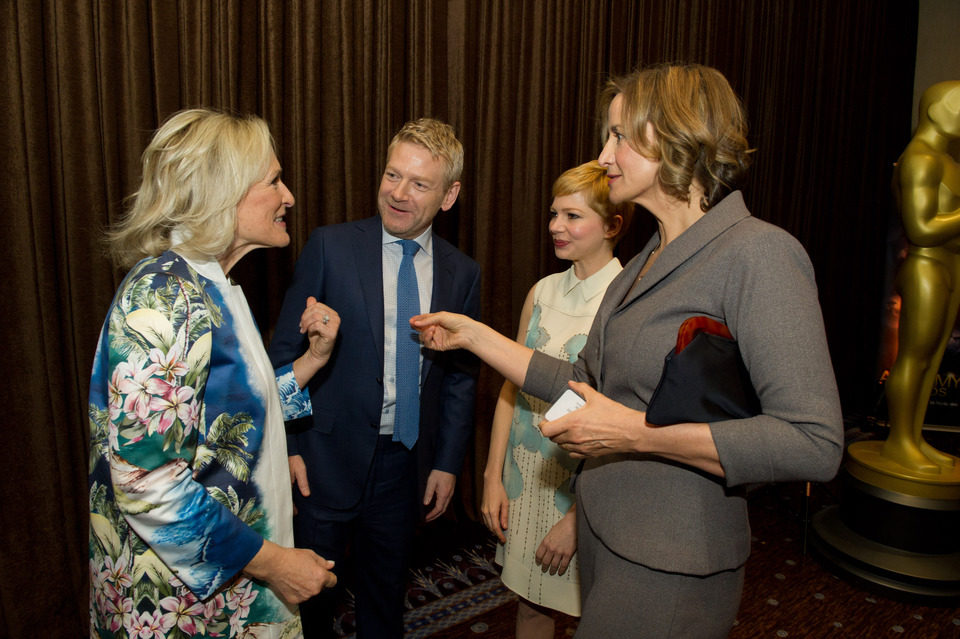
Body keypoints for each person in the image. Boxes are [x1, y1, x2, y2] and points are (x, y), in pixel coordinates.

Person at [412, 63, 844, 638]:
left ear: (674, 136)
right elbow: (581, 383)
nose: (603, 154)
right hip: (609, 538)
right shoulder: (641, 266)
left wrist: (636, 433)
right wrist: (474, 335)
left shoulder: (758, 254)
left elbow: (814, 442)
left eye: (618, 135)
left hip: (674, 559)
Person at [87, 108, 338, 638]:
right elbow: (146, 483)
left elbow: (232, 417)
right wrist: (274, 562)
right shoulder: (165, 296)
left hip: (226, 587)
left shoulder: (210, 285)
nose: (288, 195)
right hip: (182, 605)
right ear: (223, 192)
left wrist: (312, 361)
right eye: (272, 180)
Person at [267, 118, 481, 638]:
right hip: (322, 458)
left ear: (449, 196)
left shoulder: (462, 273)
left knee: (385, 595)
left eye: (419, 184)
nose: (398, 193)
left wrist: (447, 463)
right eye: (392, 175)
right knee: (308, 599)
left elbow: (459, 380)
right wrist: (290, 445)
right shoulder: (330, 247)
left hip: (403, 463)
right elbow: (284, 353)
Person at [482, 161, 632, 637]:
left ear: (612, 226)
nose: (555, 227)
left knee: (598, 616)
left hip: (585, 493)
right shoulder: (543, 291)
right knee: (531, 606)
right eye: (553, 214)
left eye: (572, 216)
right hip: (526, 480)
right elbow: (512, 385)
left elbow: (623, 423)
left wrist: (576, 519)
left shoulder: (627, 302)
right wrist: (491, 476)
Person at [880, 80, 960, 475]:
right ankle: (900, 440)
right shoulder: (920, 159)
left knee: (933, 358)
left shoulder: (947, 161)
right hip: (926, 264)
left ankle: (914, 436)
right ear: (935, 109)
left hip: (949, 264)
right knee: (914, 355)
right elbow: (922, 227)